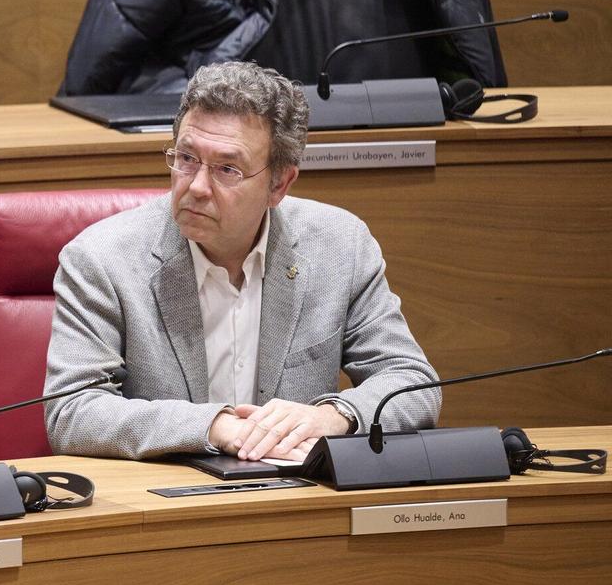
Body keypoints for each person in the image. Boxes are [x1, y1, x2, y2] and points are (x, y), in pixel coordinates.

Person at [44, 63, 441, 462]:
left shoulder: (340, 247)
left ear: (280, 184)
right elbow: (72, 412)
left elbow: (413, 384)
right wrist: (215, 427)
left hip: (298, 499)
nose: (196, 186)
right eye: (186, 158)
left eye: (227, 169)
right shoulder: (102, 259)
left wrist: (336, 415)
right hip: (166, 503)